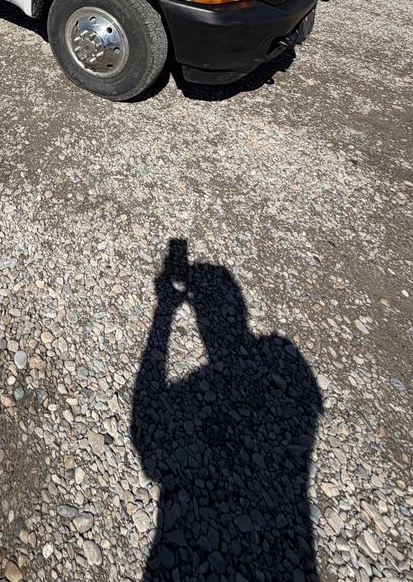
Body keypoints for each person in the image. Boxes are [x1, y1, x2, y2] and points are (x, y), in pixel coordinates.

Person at [131, 243, 322, 581]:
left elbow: (147, 436)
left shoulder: (278, 358)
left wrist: (164, 313)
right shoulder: (281, 357)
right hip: (287, 546)